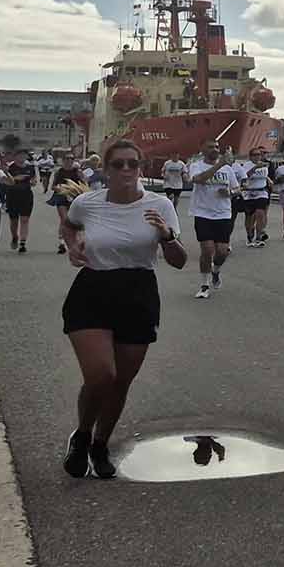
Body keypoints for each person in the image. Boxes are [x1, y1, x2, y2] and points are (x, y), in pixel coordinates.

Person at [58, 139, 186, 480]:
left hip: (138, 293)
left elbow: (179, 261)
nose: (127, 170)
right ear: (106, 170)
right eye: (119, 164)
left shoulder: (160, 205)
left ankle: (100, 444)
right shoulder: (87, 203)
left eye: (133, 163)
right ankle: (82, 435)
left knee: (121, 383)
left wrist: (167, 236)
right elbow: (69, 225)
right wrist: (72, 247)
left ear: (141, 168)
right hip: (92, 290)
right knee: (102, 375)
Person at [186, 143, 237, 299]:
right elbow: (198, 179)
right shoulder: (196, 166)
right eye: (210, 147)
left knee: (222, 252)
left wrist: (230, 192)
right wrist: (219, 164)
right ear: (203, 150)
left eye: (216, 147)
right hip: (202, 213)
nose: (215, 149)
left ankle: (215, 271)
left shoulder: (228, 170)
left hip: (223, 214)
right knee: (207, 250)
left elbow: (237, 188)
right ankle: (204, 285)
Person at [2, 147, 36, 253]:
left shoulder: (30, 167)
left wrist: (33, 182)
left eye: (24, 155)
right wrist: (16, 178)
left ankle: (22, 243)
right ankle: (14, 237)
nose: (22, 157)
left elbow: (34, 179)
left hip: (26, 195)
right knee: (14, 221)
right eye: (19, 155)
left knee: (25, 219)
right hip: (12, 195)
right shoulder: (10, 167)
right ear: (15, 156)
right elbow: (4, 181)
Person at [47, 164, 87, 254]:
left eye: (70, 159)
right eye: (66, 159)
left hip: (75, 197)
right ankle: (62, 242)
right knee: (64, 219)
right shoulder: (59, 172)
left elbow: (84, 184)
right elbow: (53, 186)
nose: (68, 161)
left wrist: (82, 179)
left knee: (75, 220)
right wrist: (59, 189)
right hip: (61, 197)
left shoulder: (77, 172)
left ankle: (75, 242)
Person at [238, 145, 273, 246]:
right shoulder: (247, 165)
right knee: (249, 217)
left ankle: (258, 237)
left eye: (259, 154)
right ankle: (249, 235)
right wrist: (255, 168)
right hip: (249, 193)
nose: (257, 156)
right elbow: (245, 176)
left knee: (260, 213)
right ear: (250, 156)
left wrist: (268, 180)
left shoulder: (264, 165)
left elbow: (264, 176)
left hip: (261, 192)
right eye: (255, 155)